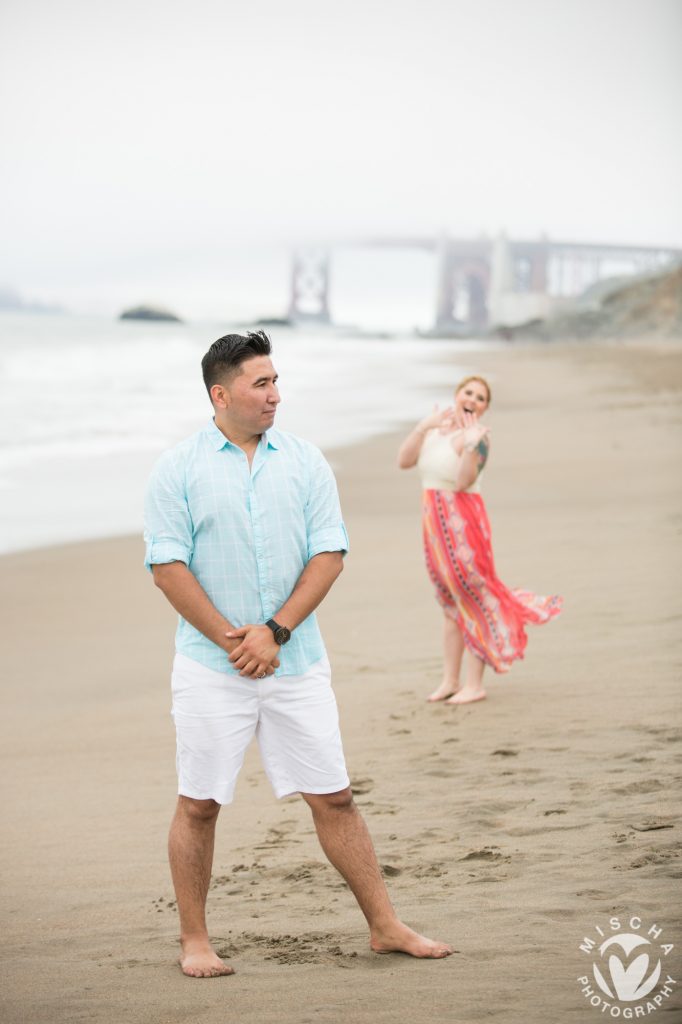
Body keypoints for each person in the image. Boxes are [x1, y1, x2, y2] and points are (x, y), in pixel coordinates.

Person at [144, 330, 452, 978]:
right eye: (261, 384)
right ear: (220, 393)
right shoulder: (177, 468)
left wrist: (274, 633)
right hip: (211, 667)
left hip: (297, 659)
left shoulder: (307, 461)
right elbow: (167, 567)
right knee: (198, 802)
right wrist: (238, 640)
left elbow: (330, 553)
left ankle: (385, 926)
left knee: (334, 797)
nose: (276, 395)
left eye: (277, 381)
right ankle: (194, 940)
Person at [397, 375, 562, 705]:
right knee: (449, 606)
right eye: (468, 392)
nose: (472, 399)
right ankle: (450, 681)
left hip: (463, 525)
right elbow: (403, 461)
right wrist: (423, 425)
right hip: (433, 526)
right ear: (457, 395)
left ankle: (475, 684)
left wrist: (471, 445)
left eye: (480, 397)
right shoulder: (432, 431)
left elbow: (462, 482)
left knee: (475, 598)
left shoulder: (479, 439)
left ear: (485, 408)